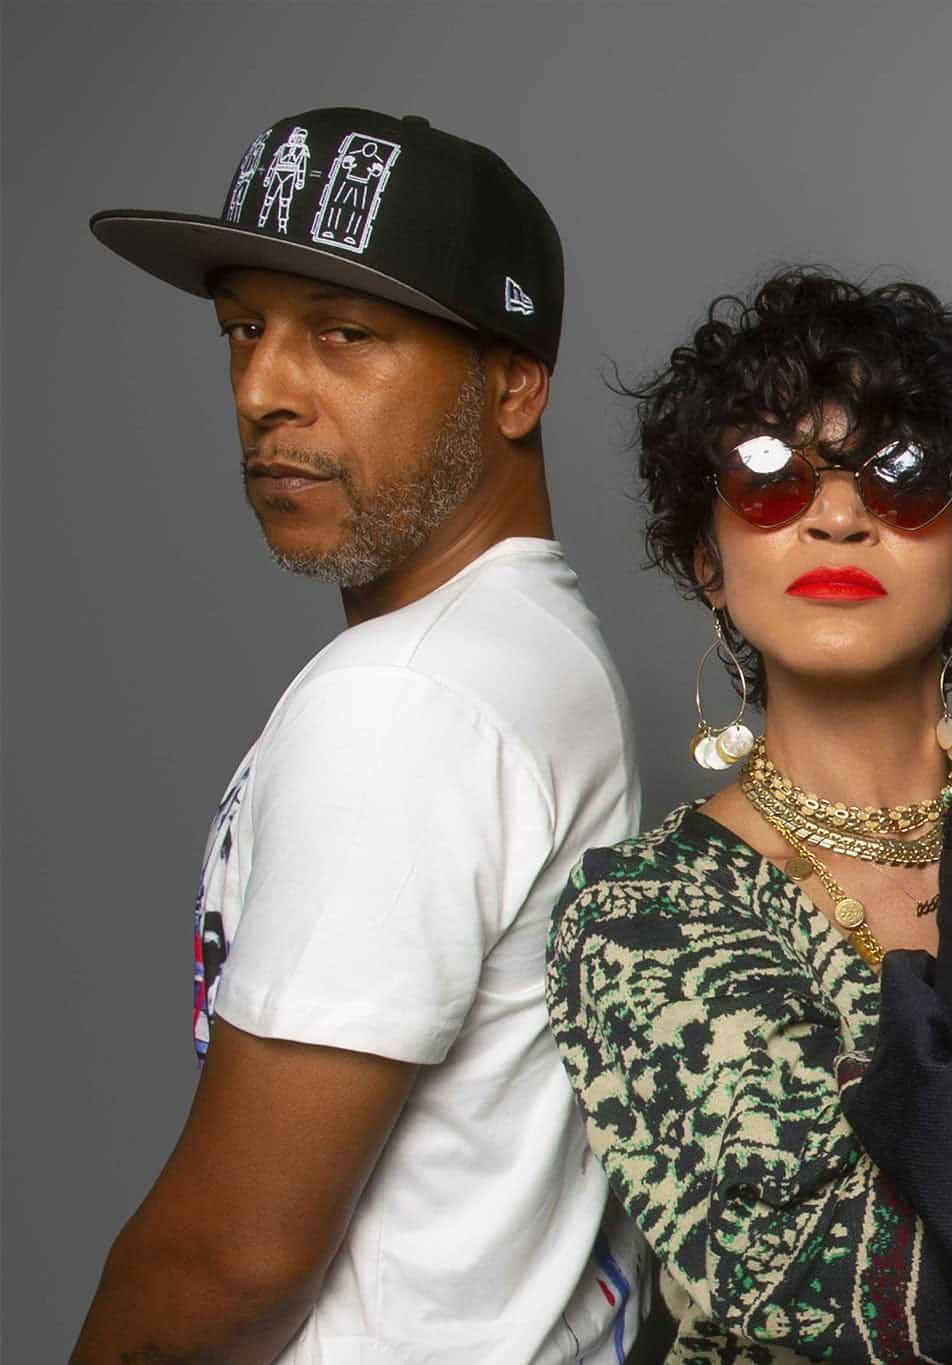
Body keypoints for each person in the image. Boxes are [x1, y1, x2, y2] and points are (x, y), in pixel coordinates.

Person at [76, 108, 649, 1362]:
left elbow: (236, 1256)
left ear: (514, 384)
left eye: (343, 335)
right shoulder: (533, 645)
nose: (263, 392)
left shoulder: (407, 698)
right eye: (244, 329)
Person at [547, 266, 952, 1363]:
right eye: (768, 476)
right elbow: (911, 1297)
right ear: (708, 561)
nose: (836, 516)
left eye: (903, 477)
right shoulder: (642, 917)